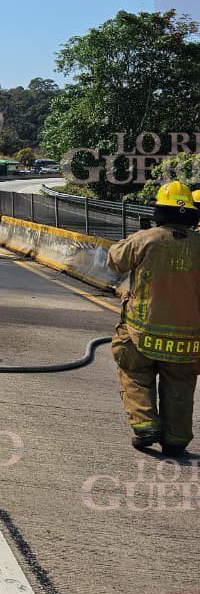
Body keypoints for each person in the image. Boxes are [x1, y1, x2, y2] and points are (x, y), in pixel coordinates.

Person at [107, 182, 200, 454]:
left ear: (159, 211)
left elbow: (115, 261)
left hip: (142, 332)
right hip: (189, 339)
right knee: (180, 384)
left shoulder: (146, 239)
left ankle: (146, 425)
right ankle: (176, 439)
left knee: (133, 371)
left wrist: (138, 235)